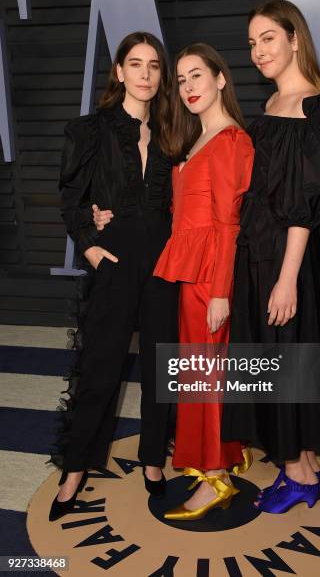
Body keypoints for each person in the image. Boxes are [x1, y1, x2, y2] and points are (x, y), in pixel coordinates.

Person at [221, 0, 320, 514]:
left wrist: (287, 278)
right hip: (260, 255)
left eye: (268, 39)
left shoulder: (318, 108)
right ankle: (303, 457)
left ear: (295, 38)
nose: (257, 51)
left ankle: (299, 475)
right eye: (252, 43)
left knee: (287, 360)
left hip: (288, 258)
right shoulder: (270, 108)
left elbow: (304, 206)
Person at [49, 32, 179, 522]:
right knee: (100, 368)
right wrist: (91, 244)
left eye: (154, 66)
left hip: (166, 263)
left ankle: (152, 462)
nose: (145, 74)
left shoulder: (170, 132)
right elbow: (70, 196)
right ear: (119, 72)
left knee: (160, 368)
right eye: (136, 64)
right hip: (117, 261)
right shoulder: (93, 129)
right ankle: (75, 470)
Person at [152, 43, 254, 520]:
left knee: (206, 373)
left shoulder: (231, 140)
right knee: (199, 371)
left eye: (197, 75)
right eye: (181, 79)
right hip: (190, 272)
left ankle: (216, 478)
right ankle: (224, 453)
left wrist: (219, 291)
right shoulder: (198, 139)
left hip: (209, 275)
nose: (188, 87)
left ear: (220, 79)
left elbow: (230, 224)